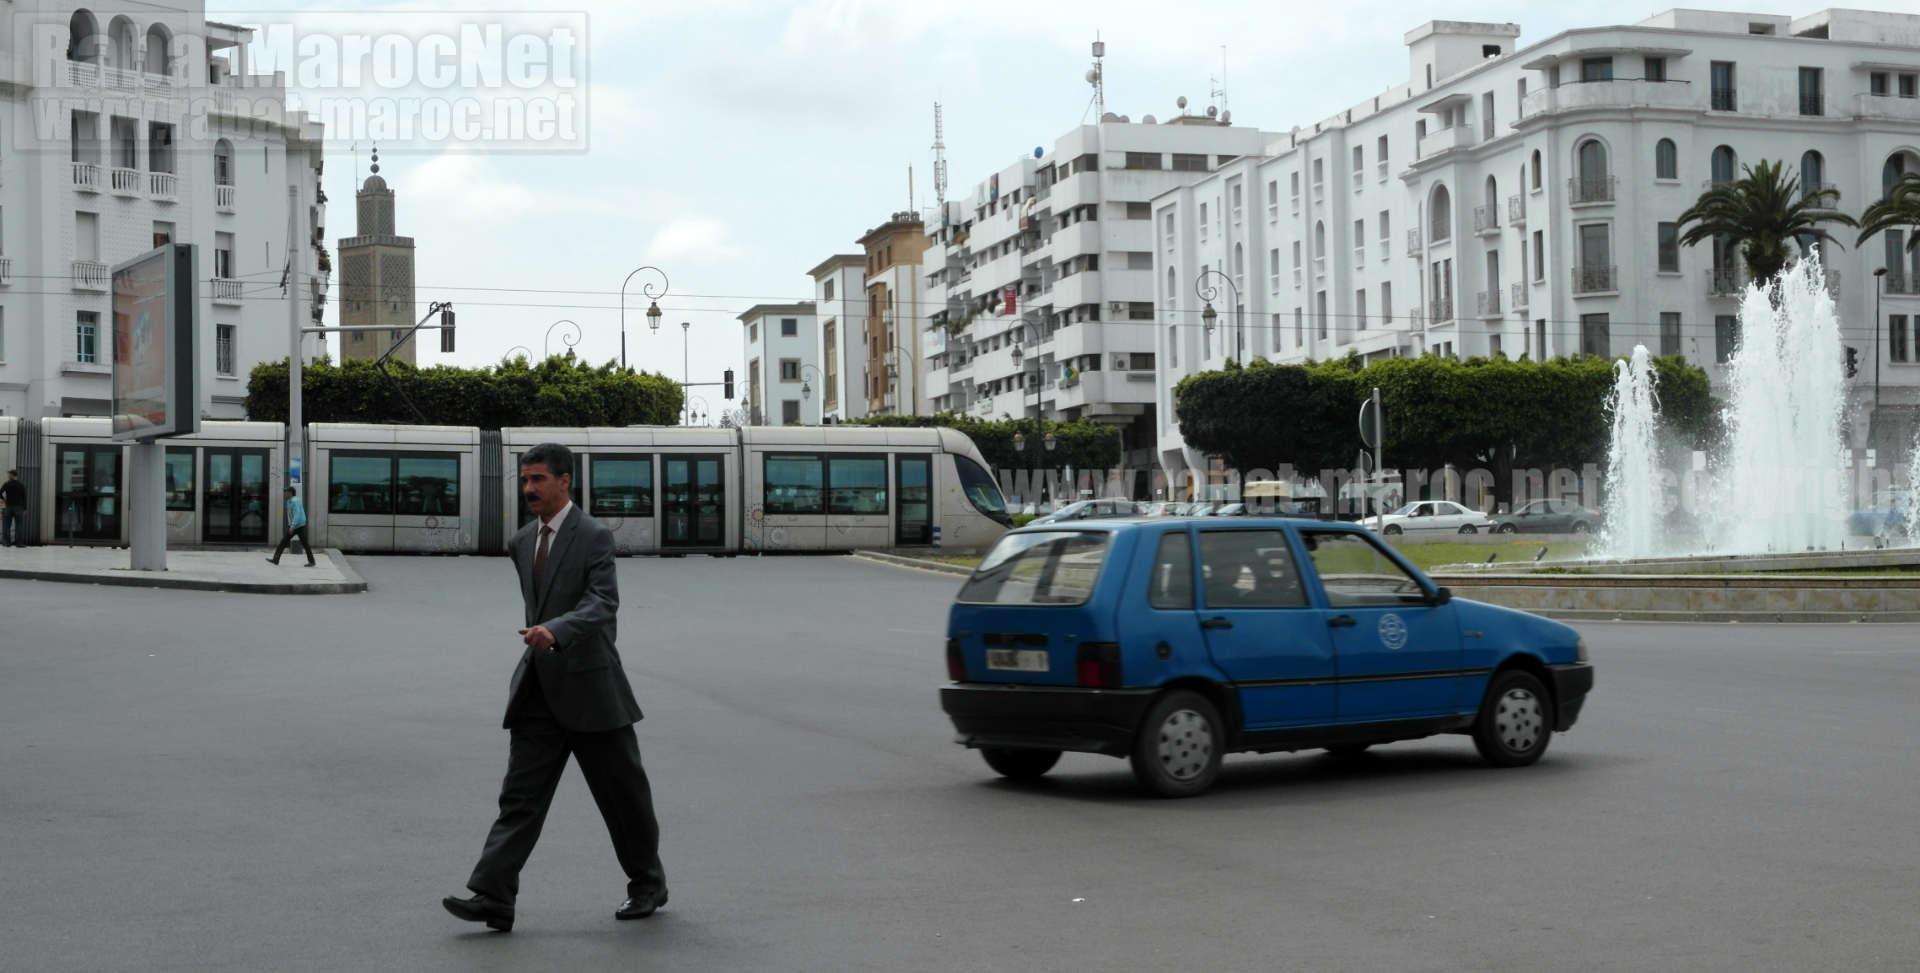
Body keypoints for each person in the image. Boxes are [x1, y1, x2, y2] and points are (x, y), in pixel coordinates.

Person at [443, 442, 666, 933]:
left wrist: (557, 630)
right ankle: (494, 896)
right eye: (524, 480)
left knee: (623, 798)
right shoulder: (521, 542)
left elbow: (602, 603)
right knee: (519, 798)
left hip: (592, 689)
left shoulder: (594, 537)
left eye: (538, 479)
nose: (529, 489)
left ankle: (648, 884)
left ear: (565, 482)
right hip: (538, 690)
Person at [267, 486, 315, 567]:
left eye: (286, 491)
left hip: (299, 525)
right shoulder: (289, 501)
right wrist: (291, 525)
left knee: (304, 543)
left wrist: (292, 527)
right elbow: (290, 515)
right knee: (283, 542)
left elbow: (297, 514)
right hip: (294, 525)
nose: (285, 493)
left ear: (290, 492)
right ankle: (276, 559)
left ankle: (312, 561)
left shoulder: (295, 501)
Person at [1, 469, 26, 547]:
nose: (8, 475)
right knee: (19, 525)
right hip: (18, 507)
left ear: (12, 475)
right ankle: (18, 543)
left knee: (7, 524)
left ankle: (7, 542)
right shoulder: (21, 485)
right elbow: (24, 497)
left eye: (9, 474)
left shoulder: (6, 484)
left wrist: (4, 499)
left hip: (8, 507)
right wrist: (25, 508)